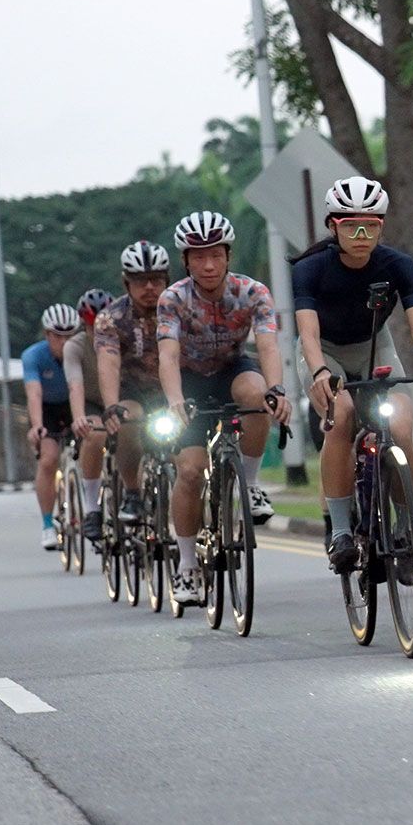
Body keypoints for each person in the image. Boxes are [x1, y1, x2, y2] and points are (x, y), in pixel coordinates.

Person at [292, 176, 413, 574]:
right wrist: (320, 372)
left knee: (401, 425)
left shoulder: (399, 265)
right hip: (324, 352)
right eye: (350, 227)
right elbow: (308, 335)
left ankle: (404, 527)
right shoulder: (310, 269)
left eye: (370, 226)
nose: (361, 236)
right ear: (332, 226)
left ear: (381, 226)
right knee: (341, 415)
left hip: (375, 347)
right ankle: (341, 531)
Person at [157, 211, 293, 606]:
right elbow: (167, 356)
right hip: (189, 379)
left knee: (257, 394)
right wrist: (175, 400)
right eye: (199, 257)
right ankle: (186, 566)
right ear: (185, 260)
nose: (209, 265)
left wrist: (277, 390)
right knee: (189, 471)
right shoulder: (173, 299)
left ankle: (250, 485)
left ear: (228, 256)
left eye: (216, 255)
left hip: (233, 368)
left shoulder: (253, 292)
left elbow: (268, 345)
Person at [96, 241, 172, 527]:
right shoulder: (111, 318)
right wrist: (111, 406)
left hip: (174, 389)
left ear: (167, 280)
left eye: (156, 279)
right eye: (141, 281)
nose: (149, 287)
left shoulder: (181, 309)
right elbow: (108, 363)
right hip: (133, 391)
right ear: (126, 283)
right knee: (128, 420)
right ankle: (132, 492)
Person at [23, 303, 84, 550]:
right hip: (47, 408)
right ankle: (48, 524)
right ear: (47, 335)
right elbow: (34, 393)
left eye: (70, 335)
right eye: (58, 336)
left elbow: (82, 387)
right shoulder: (33, 356)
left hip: (75, 404)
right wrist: (37, 426)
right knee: (48, 459)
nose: (65, 342)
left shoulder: (82, 352)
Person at [67, 289, 114, 540]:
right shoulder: (75, 347)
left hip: (121, 399)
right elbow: (75, 385)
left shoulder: (125, 338)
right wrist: (79, 417)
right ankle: (92, 507)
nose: (99, 333)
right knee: (95, 435)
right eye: (92, 328)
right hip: (92, 403)